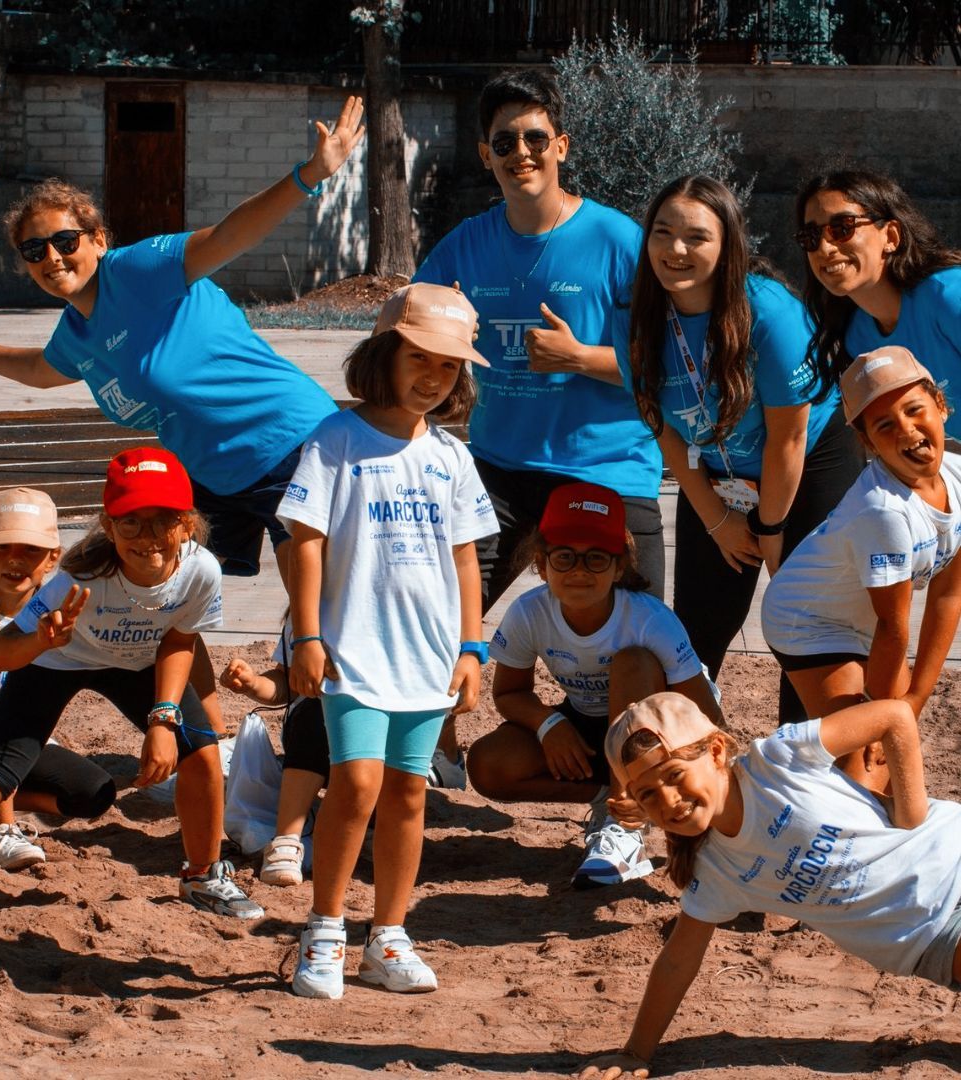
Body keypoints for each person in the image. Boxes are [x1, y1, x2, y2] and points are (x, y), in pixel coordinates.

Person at [0, 95, 365, 584]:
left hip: (291, 445)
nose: (52, 257)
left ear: (98, 240)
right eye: (34, 249)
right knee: (173, 594)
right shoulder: (77, 335)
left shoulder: (139, 271)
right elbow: (38, 370)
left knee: (317, 606)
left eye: (65, 241)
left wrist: (309, 175)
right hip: (214, 475)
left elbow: (230, 236)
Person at [0, 447, 262, 943]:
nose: (147, 537)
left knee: (203, 753)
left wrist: (163, 718)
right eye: (130, 522)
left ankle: (204, 875)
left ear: (187, 524)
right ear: (107, 524)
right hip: (54, 662)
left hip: (138, 660)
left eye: (162, 521)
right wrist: (43, 639)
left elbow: (179, 639)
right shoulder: (79, 577)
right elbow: (1, 657)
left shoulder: (201, 570)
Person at [413, 68, 663, 775]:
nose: (521, 152)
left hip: (607, 467)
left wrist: (582, 357)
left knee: (641, 640)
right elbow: (409, 322)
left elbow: (671, 366)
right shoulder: (466, 244)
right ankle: (432, 751)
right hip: (501, 466)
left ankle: (626, 797)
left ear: (562, 145)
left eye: (534, 137)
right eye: (504, 142)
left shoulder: (617, 239)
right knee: (438, 607)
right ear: (485, 154)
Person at [279, 282, 497, 998]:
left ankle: (390, 936)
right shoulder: (336, 441)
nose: (433, 377)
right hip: (353, 652)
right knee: (357, 783)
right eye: (419, 359)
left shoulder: (451, 456)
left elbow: (466, 559)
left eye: (449, 367)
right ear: (382, 355)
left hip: (429, 659)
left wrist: (473, 649)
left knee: (409, 792)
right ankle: (324, 930)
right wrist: (306, 634)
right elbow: (305, 543)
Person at [575, 691, 960, 1080]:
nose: (670, 800)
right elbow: (677, 961)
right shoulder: (714, 871)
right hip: (930, 936)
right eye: (649, 795)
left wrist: (911, 815)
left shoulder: (778, 760)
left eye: (675, 776)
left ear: (715, 751)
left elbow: (894, 715)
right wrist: (636, 1052)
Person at [619, 174, 864, 714]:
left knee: (805, 619)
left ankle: (803, 763)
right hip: (715, 469)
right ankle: (691, 757)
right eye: (662, 233)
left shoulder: (770, 314)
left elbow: (789, 437)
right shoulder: (635, 319)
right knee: (699, 624)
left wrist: (771, 528)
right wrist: (717, 519)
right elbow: (662, 428)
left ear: (729, 244)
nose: (675, 250)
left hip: (811, 458)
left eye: (696, 237)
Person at [467, 482, 721, 888]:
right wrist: (549, 725)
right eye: (565, 557)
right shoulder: (529, 611)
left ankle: (625, 829)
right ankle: (613, 798)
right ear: (541, 562)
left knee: (632, 662)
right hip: (592, 723)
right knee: (488, 763)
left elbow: (708, 718)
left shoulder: (647, 618)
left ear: (620, 566)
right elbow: (508, 694)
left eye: (596, 558)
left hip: (665, 727)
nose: (580, 571)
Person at [762, 347, 961, 789]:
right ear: (868, 443)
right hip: (808, 622)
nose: (906, 430)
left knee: (899, 753)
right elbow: (894, 628)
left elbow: (950, 595)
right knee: (867, 764)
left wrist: (915, 699)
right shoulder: (884, 511)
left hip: (867, 621)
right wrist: (881, 709)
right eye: (884, 425)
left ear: (942, 406)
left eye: (914, 410)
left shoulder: (958, 475)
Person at [0, 487, 116, 870]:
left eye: (30, 550)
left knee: (95, 794)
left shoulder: (61, 606)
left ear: (52, 559)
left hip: (22, 740)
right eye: (2, 548)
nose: (15, 560)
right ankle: (2, 828)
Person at [796, 165, 961, 439]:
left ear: (891, 236)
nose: (824, 248)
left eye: (842, 228)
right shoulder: (857, 338)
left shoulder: (948, 296)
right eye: (810, 237)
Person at [220, 632, 329, 888]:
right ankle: (287, 839)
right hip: (318, 732)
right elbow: (286, 683)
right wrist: (253, 683)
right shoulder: (311, 611)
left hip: (382, 738)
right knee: (315, 713)